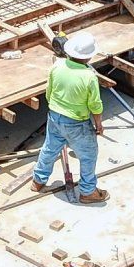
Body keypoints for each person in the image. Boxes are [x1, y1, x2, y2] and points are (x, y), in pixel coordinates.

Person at [31, 30, 108, 204]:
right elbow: (95, 104)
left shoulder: (57, 66)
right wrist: (98, 124)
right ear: (88, 57)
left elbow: (49, 92)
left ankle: (38, 181)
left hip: (54, 116)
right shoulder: (89, 76)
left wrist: (56, 110)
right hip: (76, 122)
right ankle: (88, 192)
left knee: (50, 149)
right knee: (88, 155)